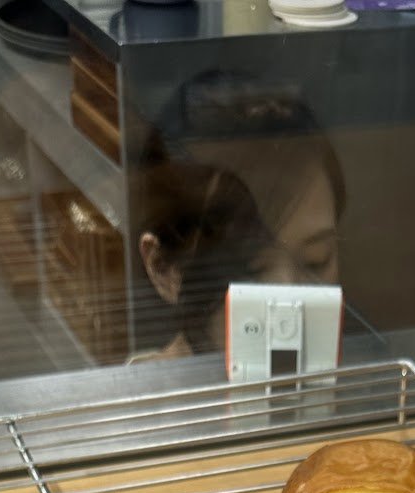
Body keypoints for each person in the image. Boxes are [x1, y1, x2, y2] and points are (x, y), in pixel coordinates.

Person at [134, 71, 344, 357]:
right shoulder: (137, 399)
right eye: (252, 270)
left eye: (317, 260)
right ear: (162, 268)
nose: (294, 305)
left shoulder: (369, 385)